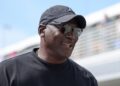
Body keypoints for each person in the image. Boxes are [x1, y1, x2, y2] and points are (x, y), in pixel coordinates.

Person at [0, 5, 98, 86]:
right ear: (42, 31)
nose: (72, 36)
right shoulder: (7, 72)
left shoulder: (87, 80)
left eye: (76, 31)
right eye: (66, 28)